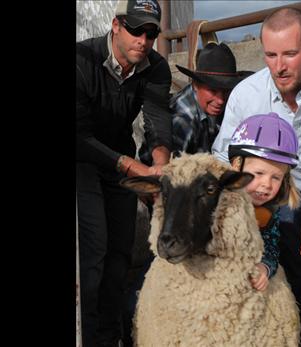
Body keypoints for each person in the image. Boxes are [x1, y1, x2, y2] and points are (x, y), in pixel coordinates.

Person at [211, 7, 301, 346]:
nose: (279, 65)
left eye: (290, 53)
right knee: (297, 274)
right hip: (276, 197)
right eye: (270, 55)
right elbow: (221, 155)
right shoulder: (246, 94)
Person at [76, 0, 172, 346]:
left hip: (119, 160)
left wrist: (160, 167)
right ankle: (85, 336)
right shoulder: (81, 60)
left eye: (151, 33)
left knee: (120, 253)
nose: (143, 40)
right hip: (83, 160)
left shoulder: (155, 68)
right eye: (136, 29)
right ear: (116, 25)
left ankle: (111, 335)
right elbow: (79, 136)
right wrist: (135, 167)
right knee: (94, 251)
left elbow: (158, 123)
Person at [228, 113, 301, 291]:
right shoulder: (217, 201)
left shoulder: (268, 212)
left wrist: (265, 267)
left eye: (276, 177)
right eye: (259, 173)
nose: (267, 184)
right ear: (237, 165)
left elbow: (270, 245)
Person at [171, 42, 252, 156]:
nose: (220, 100)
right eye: (213, 91)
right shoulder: (183, 119)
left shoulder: (233, 105)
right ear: (195, 85)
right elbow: (170, 169)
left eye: (226, 91)